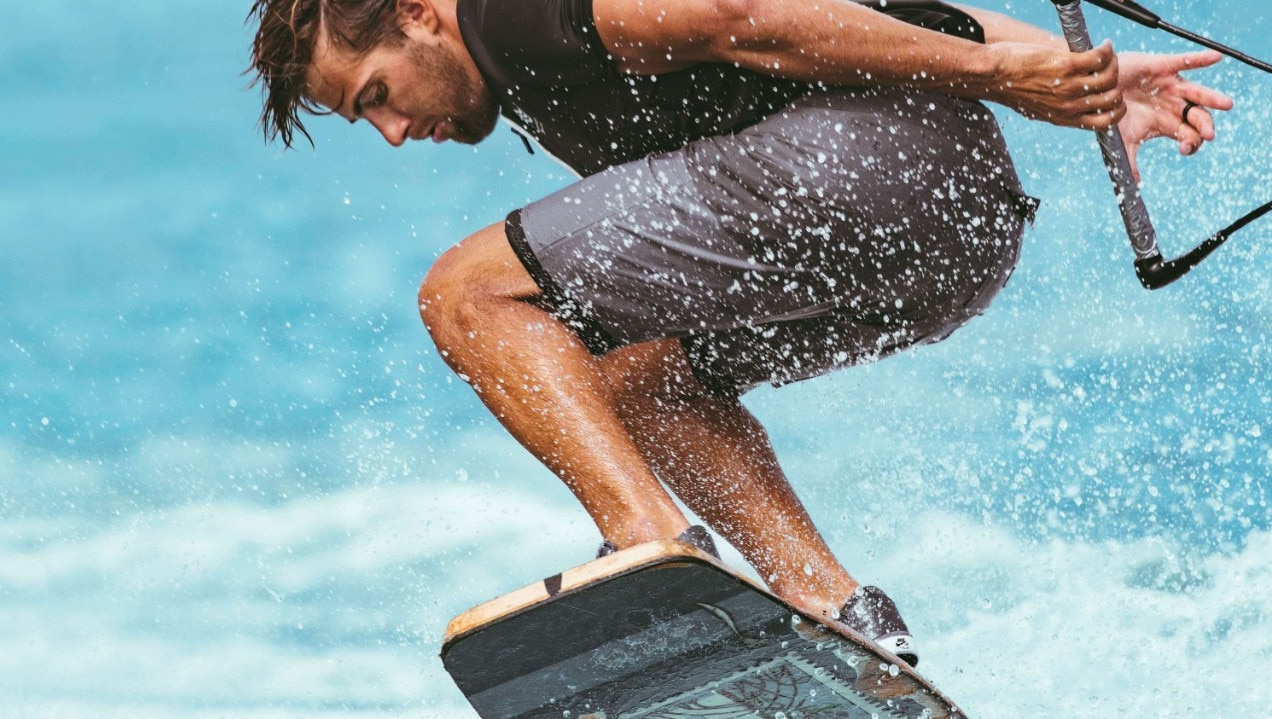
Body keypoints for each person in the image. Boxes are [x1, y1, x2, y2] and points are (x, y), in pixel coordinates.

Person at [246, 0, 1232, 665]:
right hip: (955, 239)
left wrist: (992, 71)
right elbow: (893, 7)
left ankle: (647, 545)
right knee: (629, 368)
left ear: (419, 14)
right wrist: (1074, 73)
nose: (387, 130)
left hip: (861, 169)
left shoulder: (518, 13)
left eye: (373, 93)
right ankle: (836, 611)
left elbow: (743, 12)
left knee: (465, 297)